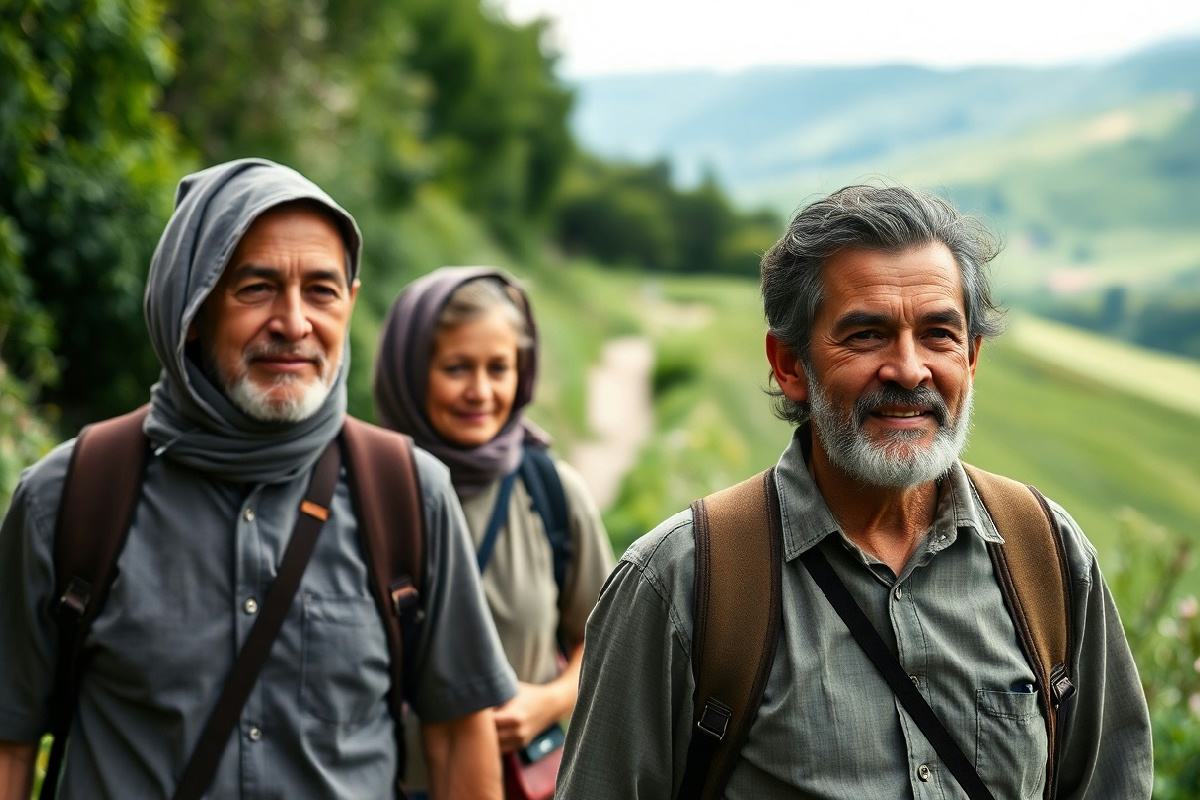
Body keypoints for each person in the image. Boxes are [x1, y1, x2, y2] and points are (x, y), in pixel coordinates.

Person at [556, 185, 1153, 798]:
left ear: (971, 359)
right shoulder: (681, 582)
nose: (909, 369)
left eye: (938, 334)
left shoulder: (1047, 556)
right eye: (866, 335)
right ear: (789, 366)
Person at [0, 159, 517, 800]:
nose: (294, 323)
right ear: (192, 305)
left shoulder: (408, 494)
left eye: (322, 291)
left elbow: (456, 738)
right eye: (256, 288)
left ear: (351, 303)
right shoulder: (68, 499)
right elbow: (10, 744)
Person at [373, 266, 616, 795]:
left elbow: (607, 642)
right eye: (457, 367)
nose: (480, 391)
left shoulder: (550, 492)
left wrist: (545, 703)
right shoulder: (367, 492)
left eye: (499, 368)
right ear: (410, 372)